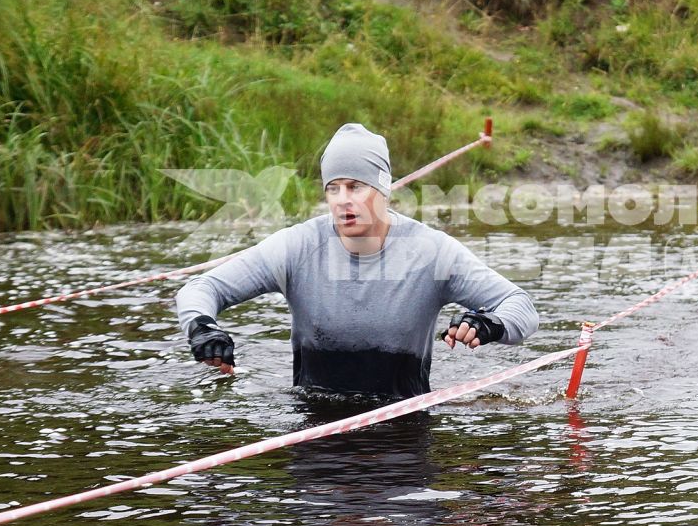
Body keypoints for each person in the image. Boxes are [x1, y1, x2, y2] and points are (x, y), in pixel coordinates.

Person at [175, 122, 539, 400]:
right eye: (333, 188)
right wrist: (202, 327)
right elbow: (203, 287)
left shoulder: (432, 252)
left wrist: (489, 323)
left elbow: (521, 307)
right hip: (313, 423)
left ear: (383, 189)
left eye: (355, 186)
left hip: (404, 427)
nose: (342, 200)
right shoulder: (298, 246)